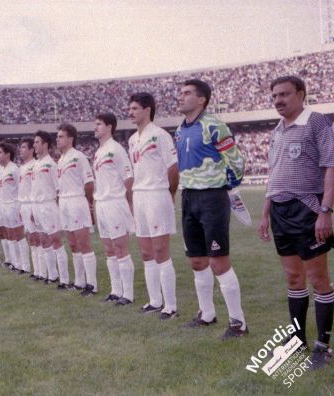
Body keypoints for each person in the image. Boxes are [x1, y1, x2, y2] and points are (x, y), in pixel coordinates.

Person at [258, 75, 333, 368]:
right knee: (293, 278)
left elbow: (330, 166)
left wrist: (325, 210)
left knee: (318, 279)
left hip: (307, 209)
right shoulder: (277, 130)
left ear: (300, 94)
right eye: (274, 95)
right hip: (279, 211)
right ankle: (297, 340)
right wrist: (265, 212)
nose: (278, 100)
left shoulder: (315, 121)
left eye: (284, 94)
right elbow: (274, 174)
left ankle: (322, 345)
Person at [175, 79, 247, 339]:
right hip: (188, 198)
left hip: (211, 198)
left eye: (186, 93)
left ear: (202, 99)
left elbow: (236, 161)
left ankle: (238, 322)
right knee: (196, 260)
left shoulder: (214, 125)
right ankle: (207, 314)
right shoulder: (180, 130)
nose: (180, 97)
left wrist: (227, 187)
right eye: (180, 93)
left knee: (218, 261)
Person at [127, 93, 179, 320]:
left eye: (135, 108)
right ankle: (155, 300)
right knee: (146, 252)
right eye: (130, 108)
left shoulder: (160, 135)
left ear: (148, 109)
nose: (131, 112)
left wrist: (169, 194)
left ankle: (171, 306)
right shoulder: (131, 139)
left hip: (157, 194)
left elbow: (173, 168)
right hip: (140, 196)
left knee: (160, 251)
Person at [93, 113, 136, 305]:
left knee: (120, 247)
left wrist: (129, 203)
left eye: (99, 124)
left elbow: (128, 178)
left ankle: (128, 294)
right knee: (109, 249)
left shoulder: (116, 149)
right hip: (101, 204)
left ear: (109, 126)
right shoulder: (98, 152)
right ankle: (115, 290)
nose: (96, 128)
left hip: (115, 203)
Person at [56, 123, 98, 295]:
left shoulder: (78, 157)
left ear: (70, 138)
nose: (57, 140)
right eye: (57, 137)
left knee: (83, 243)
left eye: (61, 136)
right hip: (64, 202)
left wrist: (87, 202)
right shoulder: (60, 160)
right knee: (73, 244)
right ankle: (80, 282)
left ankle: (92, 284)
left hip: (76, 201)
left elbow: (89, 183)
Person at [31, 131, 66, 286]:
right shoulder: (36, 164)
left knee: (56, 240)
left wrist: (57, 208)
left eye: (37, 142)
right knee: (43, 240)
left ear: (45, 144)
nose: (34, 145)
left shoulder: (51, 164)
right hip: (37, 206)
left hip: (48, 205)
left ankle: (64, 279)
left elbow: (58, 188)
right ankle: (52, 275)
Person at [0, 142, 29, 273]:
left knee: (19, 235)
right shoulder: (2, 170)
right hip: (4, 206)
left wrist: (20, 207)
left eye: (0, 152)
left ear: (7, 154)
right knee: (9, 234)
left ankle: (25, 266)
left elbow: (21, 188)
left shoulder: (14, 169)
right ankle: (16, 263)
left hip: (14, 205)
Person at [17, 139, 39, 276]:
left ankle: (43, 271)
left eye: (24, 147)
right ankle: (36, 270)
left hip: (33, 204)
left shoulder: (35, 165)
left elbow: (35, 189)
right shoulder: (22, 168)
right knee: (30, 238)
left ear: (31, 150)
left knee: (38, 238)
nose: (21, 149)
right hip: (23, 205)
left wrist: (32, 208)